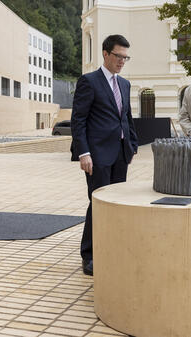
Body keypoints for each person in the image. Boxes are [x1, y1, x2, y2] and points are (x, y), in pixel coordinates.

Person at [71, 34, 138, 276]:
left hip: (120, 154)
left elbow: (127, 117)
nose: (122, 61)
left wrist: (132, 145)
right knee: (98, 204)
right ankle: (89, 256)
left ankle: (111, 249)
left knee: (116, 205)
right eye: (118, 56)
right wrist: (84, 153)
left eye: (125, 57)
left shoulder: (125, 84)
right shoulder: (89, 81)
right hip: (97, 155)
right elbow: (78, 120)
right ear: (106, 54)